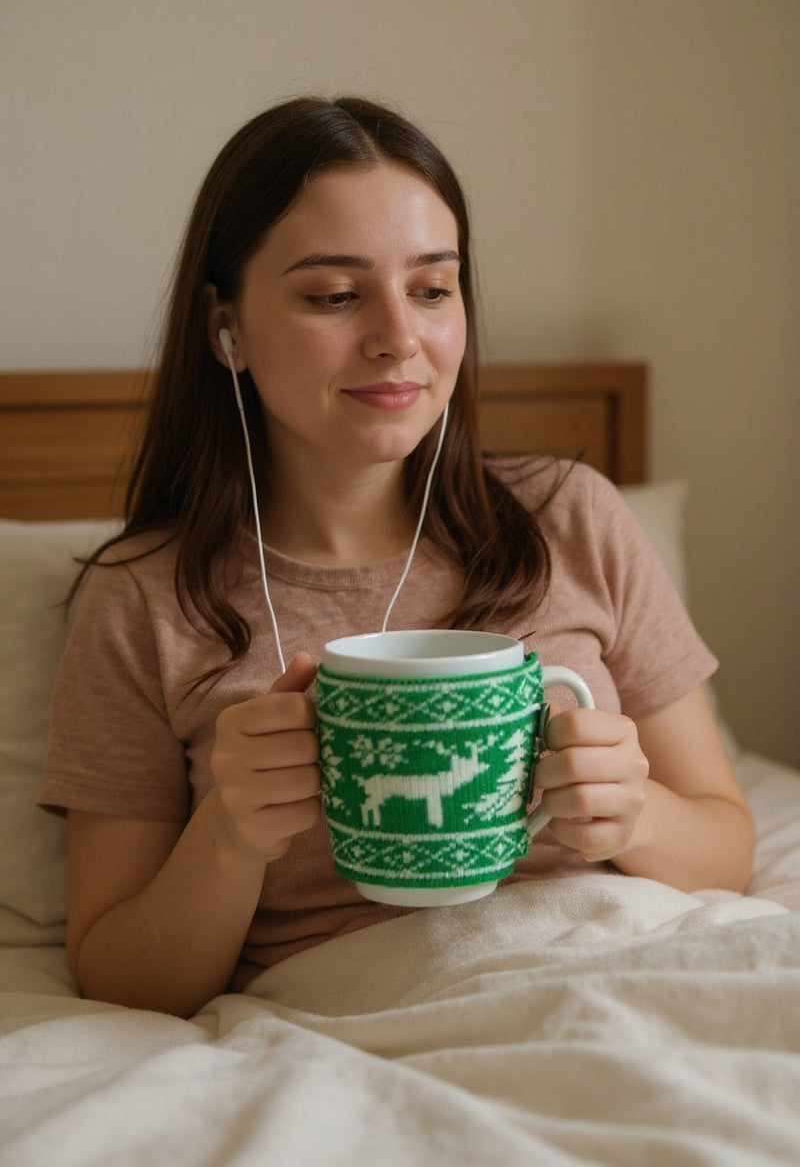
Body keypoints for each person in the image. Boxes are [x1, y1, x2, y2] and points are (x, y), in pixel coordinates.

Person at [39, 95, 754, 1018]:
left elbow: (729, 845)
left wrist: (636, 814)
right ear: (226, 327)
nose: (398, 339)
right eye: (334, 295)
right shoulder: (144, 599)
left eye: (431, 288)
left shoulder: (570, 517)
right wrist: (227, 836)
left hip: (628, 977)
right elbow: (117, 972)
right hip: (370, 1020)